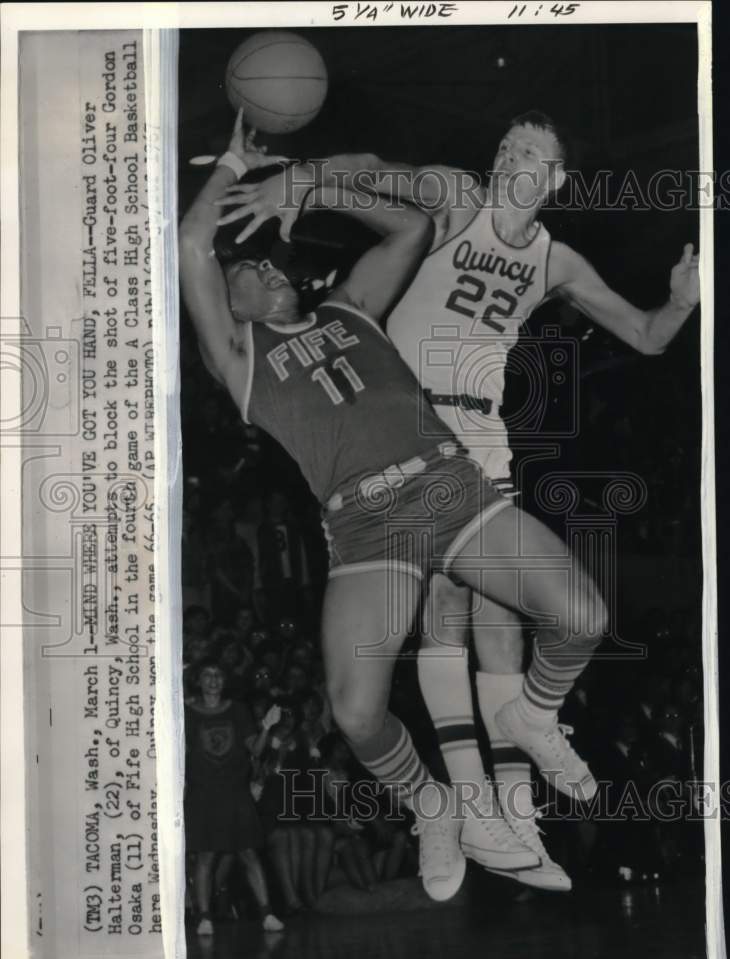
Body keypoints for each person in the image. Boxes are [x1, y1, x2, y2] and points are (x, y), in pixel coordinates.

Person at [217, 110, 700, 891]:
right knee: (445, 613)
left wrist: (681, 301)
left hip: (479, 428)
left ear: (555, 180)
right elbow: (377, 166)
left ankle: (518, 813)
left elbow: (645, 336)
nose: (511, 157)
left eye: (531, 153)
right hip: (405, 422)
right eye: (506, 146)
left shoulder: (557, 262)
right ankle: (470, 808)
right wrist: (303, 180)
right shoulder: (457, 195)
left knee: (503, 629)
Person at [184, 660, 284, 934]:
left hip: (235, 792)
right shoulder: (188, 712)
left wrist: (266, 727)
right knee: (206, 856)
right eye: (207, 675)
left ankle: (267, 914)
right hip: (203, 792)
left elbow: (256, 750)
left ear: (224, 681)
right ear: (199, 680)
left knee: (249, 853)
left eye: (218, 674)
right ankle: (204, 917)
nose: (213, 680)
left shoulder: (238, 710)